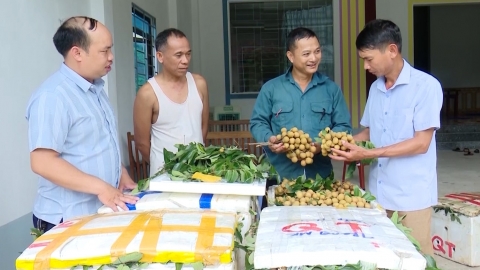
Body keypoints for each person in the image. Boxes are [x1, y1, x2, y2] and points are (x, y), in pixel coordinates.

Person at [330, 19, 442, 256]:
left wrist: (368, 153)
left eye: (368, 59)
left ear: (392, 50)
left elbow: (422, 143)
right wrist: (343, 144)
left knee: (415, 258)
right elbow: (370, 132)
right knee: (382, 256)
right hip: (379, 194)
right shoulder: (376, 88)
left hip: (411, 196)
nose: (365, 66)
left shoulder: (426, 87)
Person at [26, 16, 138, 233]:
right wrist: (101, 187)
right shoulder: (53, 96)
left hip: (96, 211)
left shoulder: (95, 89)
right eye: (104, 51)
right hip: (65, 219)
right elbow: (42, 162)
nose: (111, 57)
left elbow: (98, 142)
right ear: (77, 53)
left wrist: (120, 173)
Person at [250, 27, 352, 180]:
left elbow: (343, 127)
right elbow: (258, 122)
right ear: (291, 56)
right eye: (306, 54)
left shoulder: (331, 89)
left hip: (320, 178)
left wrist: (322, 145)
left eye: (317, 51)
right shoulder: (271, 89)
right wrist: (269, 138)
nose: (313, 58)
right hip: (279, 177)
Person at [133, 28, 209, 177]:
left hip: (198, 171)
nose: (185, 60)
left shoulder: (199, 83)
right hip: (164, 175)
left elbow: (203, 127)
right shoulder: (148, 93)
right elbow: (141, 143)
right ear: (160, 56)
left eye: (188, 54)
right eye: (178, 55)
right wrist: (164, 165)